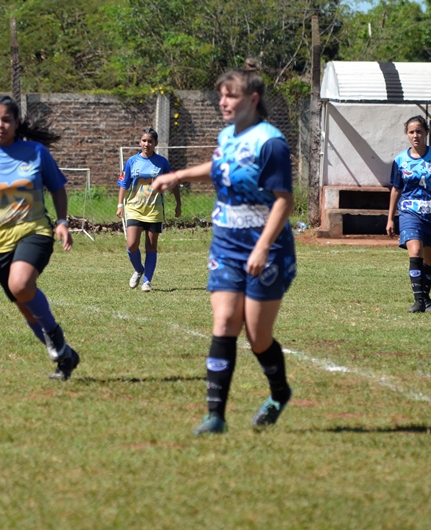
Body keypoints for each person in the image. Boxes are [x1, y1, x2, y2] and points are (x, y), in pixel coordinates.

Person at [152, 60, 297, 435]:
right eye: (220, 95)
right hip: (227, 242)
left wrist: (263, 247)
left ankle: (279, 393)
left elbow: (284, 200)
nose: (223, 102)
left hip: (267, 247)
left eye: (230, 95)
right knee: (224, 322)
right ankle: (215, 415)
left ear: (253, 98)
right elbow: (219, 168)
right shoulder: (227, 136)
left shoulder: (271, 142)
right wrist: (178, 175)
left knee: (257, 336)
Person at [0, 95, 80, 380]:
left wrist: (61, 221)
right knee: (25, 307)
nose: (0, 125)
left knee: (21, 284)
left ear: (16, 122)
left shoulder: (36, 152)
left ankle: (56, 340)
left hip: (35, 231)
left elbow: (58, 187)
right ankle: (66, 357)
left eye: (6, 119)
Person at [386, 116, 431, 313]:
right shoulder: (400, 159)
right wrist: (390, 217)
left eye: (419, 131)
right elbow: (396, 189)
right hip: (410, 212)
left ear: (426, 133)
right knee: (415, 251)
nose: (415, 135)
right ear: (407, 135)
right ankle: (419, 300)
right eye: (411, 132)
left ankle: (426, 298)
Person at [116, 128, 181, 292]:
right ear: (140, 142)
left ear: (155, 144)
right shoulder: (132, 161)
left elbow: (173, 182)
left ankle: (147, 281)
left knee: (151, 246)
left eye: (150, 141)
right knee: (132, 244)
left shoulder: (162, 162)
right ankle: (139, 269)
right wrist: (120, 204)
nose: (147, 144)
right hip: (134, 208)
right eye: (144, 141)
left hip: (154, 210)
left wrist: (178, 203)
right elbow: (124, 184)